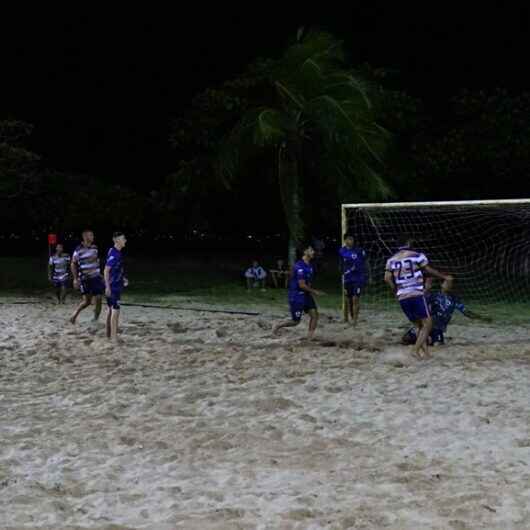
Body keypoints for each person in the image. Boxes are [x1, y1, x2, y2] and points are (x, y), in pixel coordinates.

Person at [384, 237, 452, 359]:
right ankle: (415, 350)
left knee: (420, 326)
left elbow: (387, 278)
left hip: (402, 296)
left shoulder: (391, 260)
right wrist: (444, 276)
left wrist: (396, 290)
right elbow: (428, 269)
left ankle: (426, 353)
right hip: (415, 293)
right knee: (428, 323)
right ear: (409, 243)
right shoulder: (417, 255)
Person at [402, 277, 491, 346]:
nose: (449, 284)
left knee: (438, 346)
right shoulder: (434, 295)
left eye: (451, 282)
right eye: (447, 281)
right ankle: (425, 339)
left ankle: (426, 340)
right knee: (405, 339)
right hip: (426, 326)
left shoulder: (454, 300)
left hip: (438, 329)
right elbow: (421, 300)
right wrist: (427, 289)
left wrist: (482, 318)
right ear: (441, 284)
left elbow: (466, 312)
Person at [273, 244, 325, 340]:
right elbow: (301, 285)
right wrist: (315, 291)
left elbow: (306, 283)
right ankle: (278, 326)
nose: (313, 252)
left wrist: (310, 291)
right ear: (305, 252)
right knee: (295, 322)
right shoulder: (299, 266)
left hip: (306, 295)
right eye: (311, 250)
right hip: (297, 296)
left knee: (315, 315)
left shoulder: (310, 266)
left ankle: (309, 337)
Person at [69, 229, 105, 324]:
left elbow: (96, 262)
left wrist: (100, 274)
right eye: (91, 235)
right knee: (87, 302)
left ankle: (95, 318)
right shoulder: (78, 250)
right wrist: (75, 279)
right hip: (85, 278)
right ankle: (74, 315)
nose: (93, 237)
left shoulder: (95, 248)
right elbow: (73, 264)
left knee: (99, 298)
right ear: (85, 237)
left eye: (93, 235)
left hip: (96, 277)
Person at [104, 232, 128, 342]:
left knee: (110, 309)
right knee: (115, 310)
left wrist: (123, 278)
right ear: (117, 240)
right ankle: (114, 337)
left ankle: (108, 334)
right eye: (123, 239)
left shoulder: (114, 251)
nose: (125, 240)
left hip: (115, 284)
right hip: (114, 287)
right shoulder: (115, 254)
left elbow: (115, 269)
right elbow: (106, 270)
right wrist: (108, 287)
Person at [339, 234, 367, 326]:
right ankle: (346, 318)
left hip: (358, 278)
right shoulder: (342, 251)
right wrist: (342, 274)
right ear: (345, 240)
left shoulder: (359, 250)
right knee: (347, 299)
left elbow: (365, 262)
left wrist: (367, 274)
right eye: (349, 239)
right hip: (347, 278)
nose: (351, 241)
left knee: (355, 298)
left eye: (352, 239)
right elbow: (341, 265)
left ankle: (355, 320)